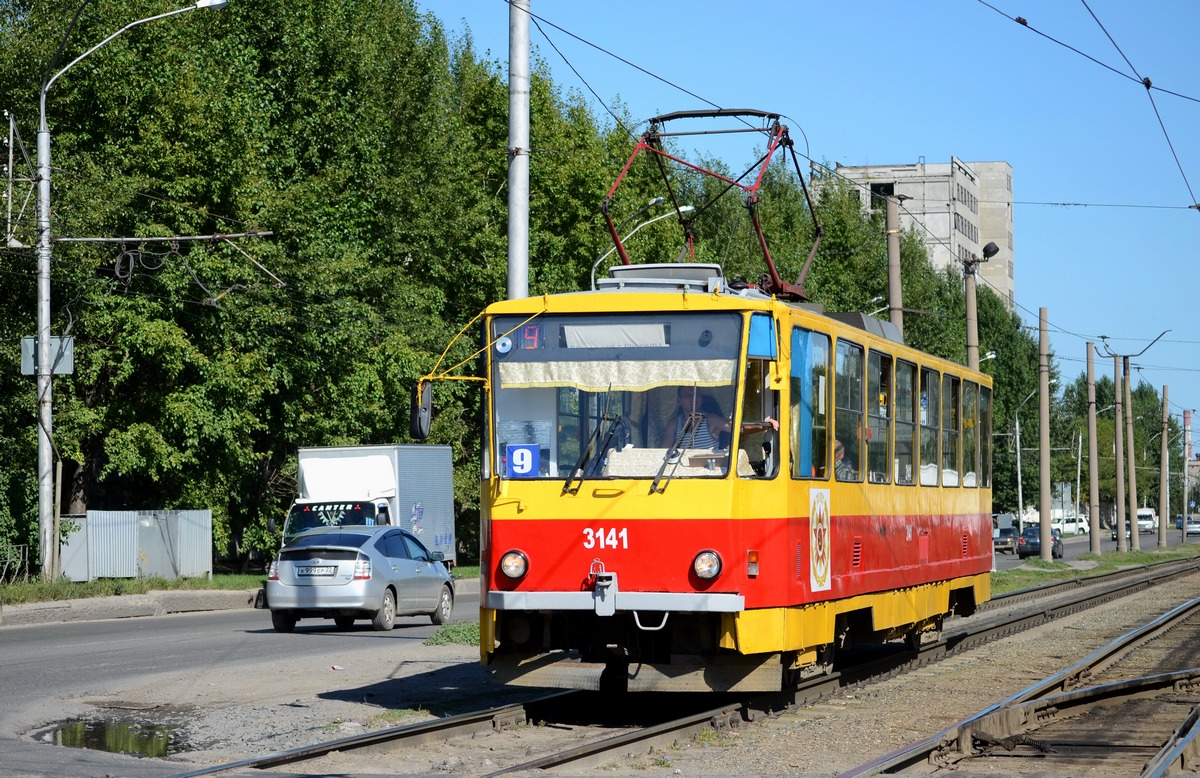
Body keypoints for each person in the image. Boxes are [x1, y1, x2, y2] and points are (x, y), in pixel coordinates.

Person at [661, 387, 730, 450]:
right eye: (688, 396)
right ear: (679, 401)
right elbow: (663, 451)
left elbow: (734, 428)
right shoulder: (674, 424)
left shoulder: (712, 419)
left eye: (697, 395)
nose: (694, 398)